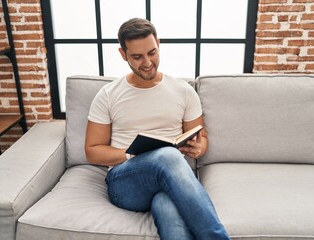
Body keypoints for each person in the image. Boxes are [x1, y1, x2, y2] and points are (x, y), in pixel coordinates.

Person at [85, 18, 230, 240]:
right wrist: (133, 153)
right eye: (137, 56)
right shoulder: (108, 94)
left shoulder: (183, 91)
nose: (147, 62)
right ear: (123, 54)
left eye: (152, 53)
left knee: (166, 204)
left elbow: (202, 139)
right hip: (125, 183)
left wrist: (198, 148)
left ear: (158, 44)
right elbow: (93, 150)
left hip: (172, 179)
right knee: (167, 156)